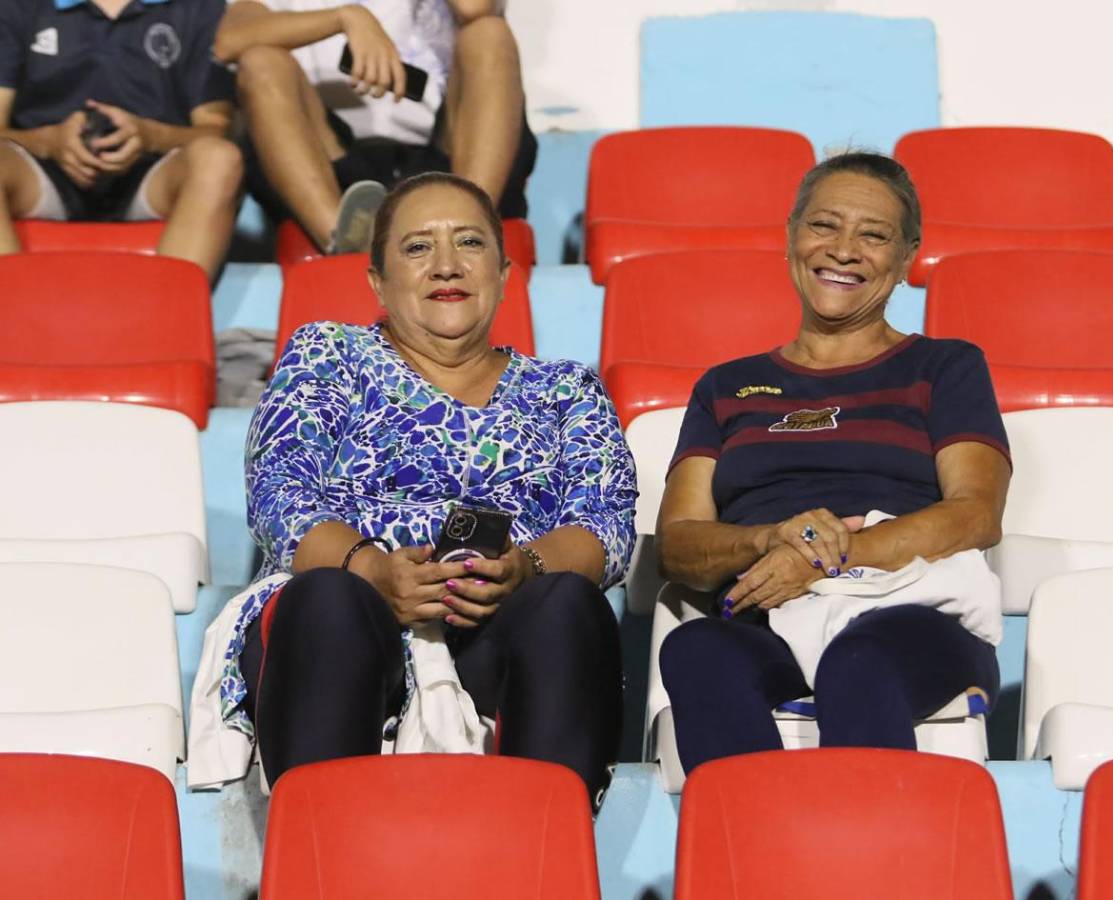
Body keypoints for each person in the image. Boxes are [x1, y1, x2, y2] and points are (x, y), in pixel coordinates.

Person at [188, 172, 634, 810]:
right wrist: (372, 570)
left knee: (567, 602)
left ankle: (542, 853)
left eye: (470, 244)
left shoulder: (566, 390)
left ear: (506, 273)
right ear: (377, 281)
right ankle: (324, 857)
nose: (446, 265)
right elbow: (281, 493)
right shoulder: (328, 355)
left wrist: (524, 569)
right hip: (347, 617)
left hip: (500, 626)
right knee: (330, 600)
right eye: (418, 247)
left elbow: (608, 528)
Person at [656, 151, 1011, 774]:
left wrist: (818, 557)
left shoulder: (945, 366)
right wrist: (769, 540)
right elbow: (680, 544)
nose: (844, 249)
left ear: (906, 259)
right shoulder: (726, 386)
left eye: (873, 235)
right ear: (791, 235)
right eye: (824, 225)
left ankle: (865, 864)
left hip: (908, 614)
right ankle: (753, 851)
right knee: (696, 649)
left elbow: (976, 514)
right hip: (769, 616)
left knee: (860, 662)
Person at [213, 0, 536, 254]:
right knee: (260, 62)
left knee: (488, 34)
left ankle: (467, 231)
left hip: (446, 157)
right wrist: (346, 17)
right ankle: (344, 243)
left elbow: (474, 7)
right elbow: (230, 41)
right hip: (332, 165)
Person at [0, 0, 243, 281]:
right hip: (41, 169)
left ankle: (167, 316)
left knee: (218, 159)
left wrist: (150, 136)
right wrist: (48, 142)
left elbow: (215, 129)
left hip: (154, 172)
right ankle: (10, 316)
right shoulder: (16, 6)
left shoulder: (200, 8)